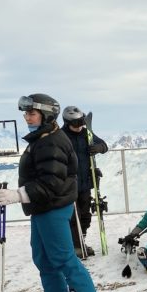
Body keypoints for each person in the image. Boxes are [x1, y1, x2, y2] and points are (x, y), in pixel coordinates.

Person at [0, 93, 101, 292]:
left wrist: (16, 195)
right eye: (26, 113)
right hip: (41, 207)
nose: (26, 117)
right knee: (43, 256)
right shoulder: (42, 138)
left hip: (53, 206)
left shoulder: (52, 142)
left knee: (63, 257)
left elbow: (51, 183)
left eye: (31, 113)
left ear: (46, 115)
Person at [61, 106, 108, 257]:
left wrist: (97, 147)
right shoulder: (61, 136)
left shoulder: (86, 134)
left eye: (81, 122)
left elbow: (104, 146)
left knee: (85, 215)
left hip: (86, 182)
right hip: (69, 184)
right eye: (76, 123)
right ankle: (75, 246)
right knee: (74, 217)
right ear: (67, 122)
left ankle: (81, 241)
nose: (79, 126)